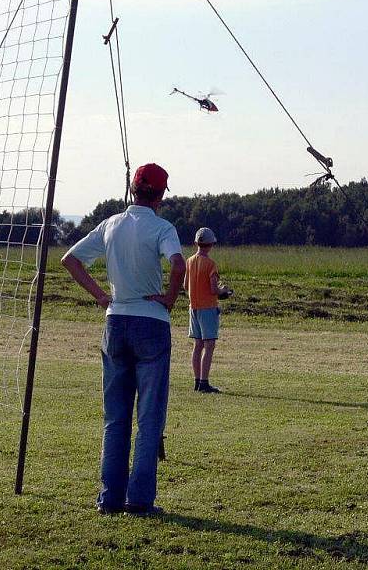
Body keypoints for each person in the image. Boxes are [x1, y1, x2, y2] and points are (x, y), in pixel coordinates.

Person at [61, 163, 185, 516]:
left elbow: (70, 260)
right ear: (160, 195)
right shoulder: (163, 227)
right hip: (151, 324)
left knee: (115, 417)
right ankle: (140, 500)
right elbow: (178, 265)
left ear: (133, 189)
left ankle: (109, 498)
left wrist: (101, 296)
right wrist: (170, 299)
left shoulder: (110, 224)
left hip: (115, 322)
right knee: (149, 419)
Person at [184, 227, 232, 394]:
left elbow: (185, 285)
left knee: (197, 345)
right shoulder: (211, 264)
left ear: (196, 243)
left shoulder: (189, 261)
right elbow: (213, 289)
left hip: (193, 308)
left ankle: (197, 381)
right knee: (209, 345)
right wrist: (223, 290)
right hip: (207, 308)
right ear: (211, 244)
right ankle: (204, 382)